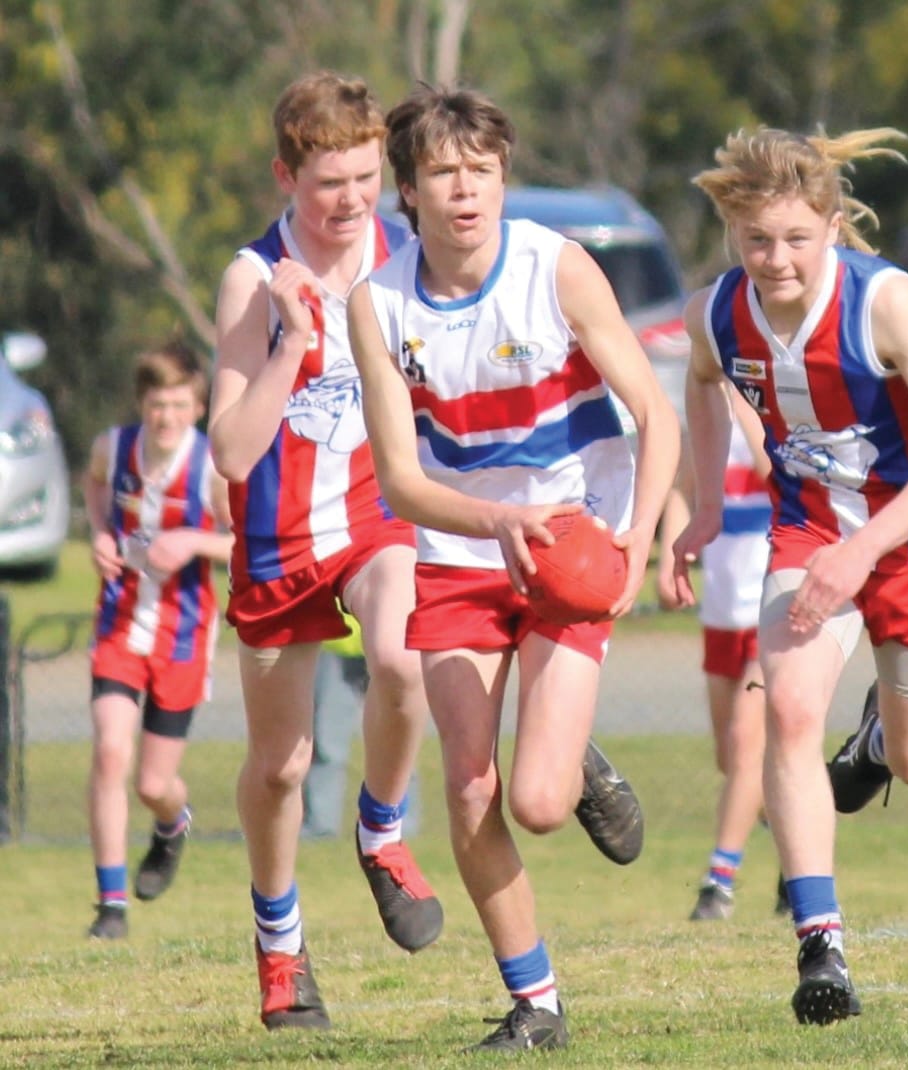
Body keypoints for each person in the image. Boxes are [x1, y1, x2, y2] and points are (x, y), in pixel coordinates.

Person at [349, 84, 680, 1052]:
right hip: (461, 546)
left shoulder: (559, 268)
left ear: (503, 178)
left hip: (575, 544)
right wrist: (495, 517)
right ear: (405, 190)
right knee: (467, 790)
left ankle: (569, 757)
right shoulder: (378, 302)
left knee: (536, 800)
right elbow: (403, 482)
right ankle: (536, 1001)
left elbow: (655, 417)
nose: (466, 189)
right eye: (444, 172)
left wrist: (638, 540)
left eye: (482, 170)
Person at [670, 125, 908, 1025]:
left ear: (830, 225)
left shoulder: (887, 303)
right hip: (806, 532)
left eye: (795, 239)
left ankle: (877, 747)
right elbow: (700, 380)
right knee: (786, 707)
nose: (775, 260)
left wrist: (865, 549)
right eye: (755, 240)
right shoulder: (717, 311)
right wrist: (700, 504)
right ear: (732, 232)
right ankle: (821, 947)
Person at [209, 71, 441, 1031]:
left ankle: (381, 832)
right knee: (280, 768)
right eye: (327, 185)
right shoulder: (252, 276)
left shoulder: (408, 256)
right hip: (276, 540)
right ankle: (279, 946)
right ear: (285, 178)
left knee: (401, 659)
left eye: (364, 178)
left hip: (376, 515)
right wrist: (288, 339)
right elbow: (229, 449)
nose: (350, 202)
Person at [83, 340, 233, 940]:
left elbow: (245, 544)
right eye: (155, 405)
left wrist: (194, 544)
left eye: (177, 404)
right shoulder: (112, 448)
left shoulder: (210, 468)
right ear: (141, 405)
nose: (165, 417)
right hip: (119, 624)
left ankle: (173, 824)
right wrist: (98, 534)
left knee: (152, 784)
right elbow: (96, 490)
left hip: (183, 636)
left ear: (197, 407)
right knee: (110, 752)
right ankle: (110, 906)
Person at [656, 386, 780, 921]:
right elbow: (681, 488)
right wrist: (668, 558)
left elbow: (773, 472)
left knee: (747, 746)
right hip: (721, 613)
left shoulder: (768, 412)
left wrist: (747, 407)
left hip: (772, 610)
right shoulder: (703, 417)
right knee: (732, 761)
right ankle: (798, 854)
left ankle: (718, 882)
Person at [301, 613, 419, 841]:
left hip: (390, 638)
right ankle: (320, 825)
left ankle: (402, 823)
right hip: (333, 636)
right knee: (326, 740)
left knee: (399, 741)